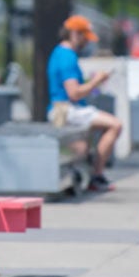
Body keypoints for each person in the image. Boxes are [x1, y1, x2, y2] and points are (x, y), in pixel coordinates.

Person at [47, 14, 123, 191]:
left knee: (90, 136)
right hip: (66, 110)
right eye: (85, 37)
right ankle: (97, 175)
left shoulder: (59, 53)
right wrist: (98, 80)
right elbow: (74, 93)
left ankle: (89, 167)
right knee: (115, 125)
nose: (87, 42)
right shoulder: (68, 57)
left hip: (61, 109)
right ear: (75, 34)